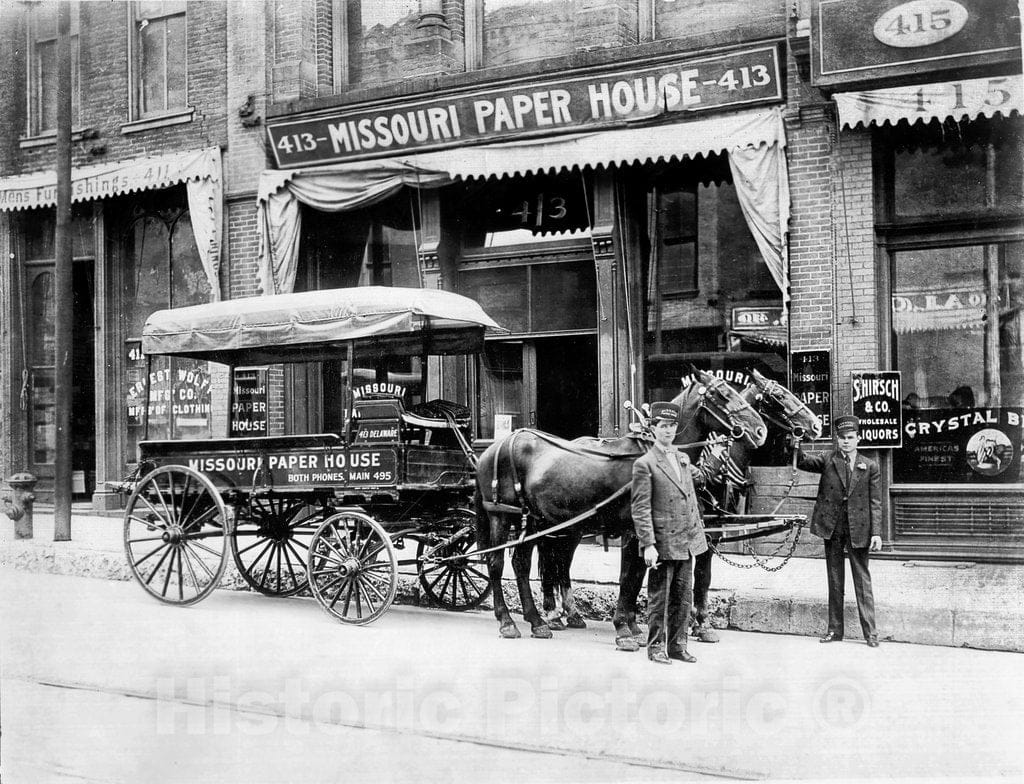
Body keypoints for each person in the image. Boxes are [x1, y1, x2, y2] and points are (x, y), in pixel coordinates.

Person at [631, 401, 718, 664]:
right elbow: (641, 508)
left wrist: (697, 535)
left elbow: (689, 498)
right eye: (663, 426)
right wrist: (648, 544)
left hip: (687, 540)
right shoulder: (644, 464)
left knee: (683, 596)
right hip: (664, 541)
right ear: (653, 428)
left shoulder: (683, 458)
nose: (668, 431)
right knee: (660, 598)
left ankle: (678, 646)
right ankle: (656, 647)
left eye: (672, 426)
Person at [796, 415, 882, 647]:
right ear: (837, 439)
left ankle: (870, 634)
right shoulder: (827, 459)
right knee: (835, 581)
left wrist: (876, 533)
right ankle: (835, 631)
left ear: (858, 439)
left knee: (862, 582)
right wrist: (794, 441)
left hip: (859, 529)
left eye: (850, 438)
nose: (846, 442)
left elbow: (875, 502)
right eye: (842, 438)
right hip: (832, 527)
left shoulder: (870, 465)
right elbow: (801, 461)